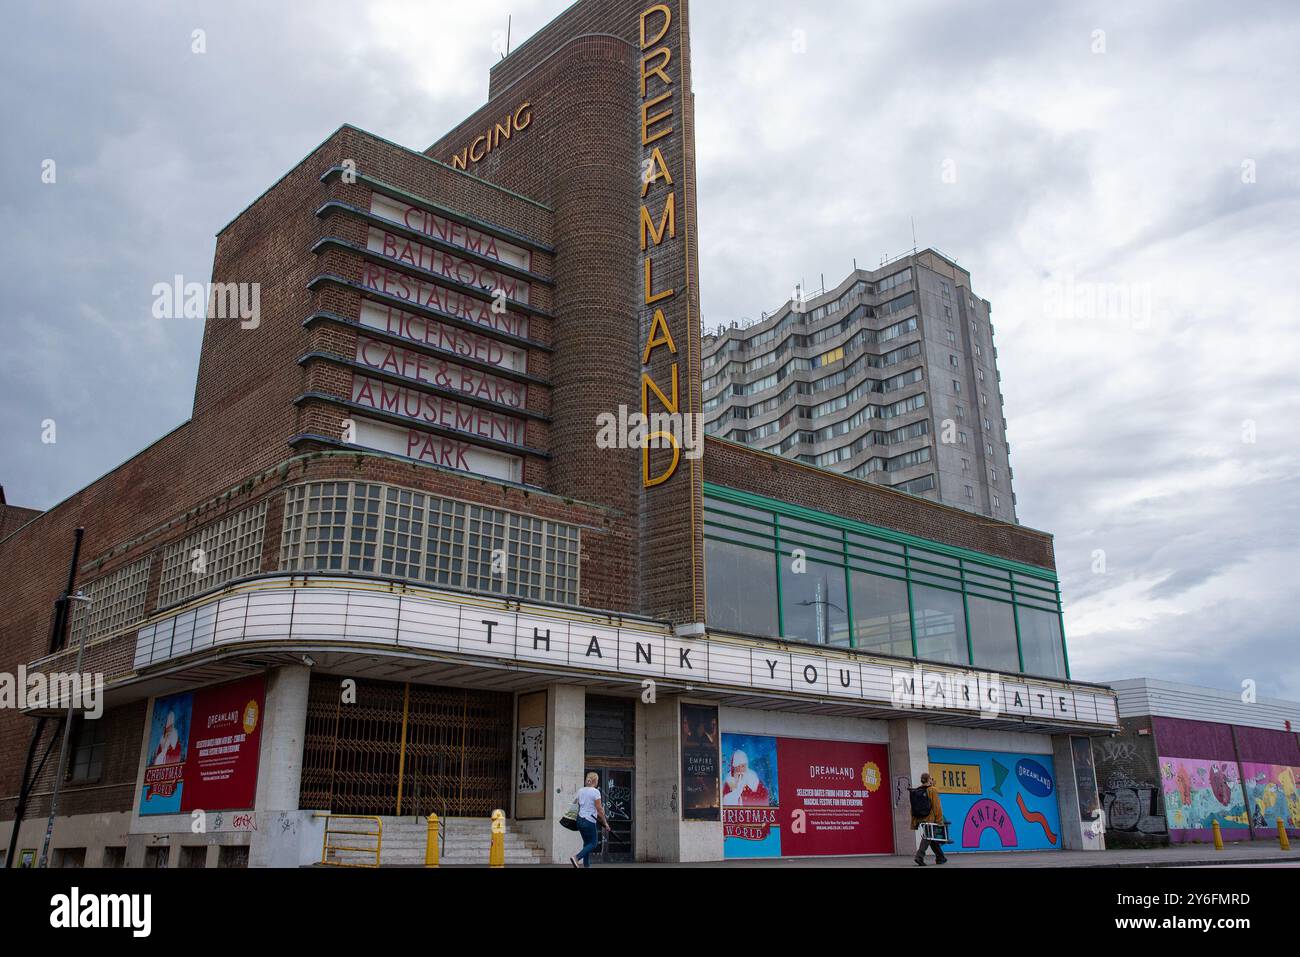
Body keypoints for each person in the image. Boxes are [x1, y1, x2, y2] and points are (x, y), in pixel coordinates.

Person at [571, 772, 611, 868]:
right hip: (589, 821)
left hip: (580, 820)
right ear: (595, 781)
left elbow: (575, 804)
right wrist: (605, 823)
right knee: (593, 843)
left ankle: (586, 865)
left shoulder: (581, 790)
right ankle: (576, 857)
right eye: (597, 780)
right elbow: (599, 809)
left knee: (586, 843)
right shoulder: (595, 792)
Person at [910, 772, 948, 866]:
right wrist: (940, 821)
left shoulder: (917, 790)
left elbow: (912, 808)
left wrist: (914, 821)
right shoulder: (932, 790)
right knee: (928, 837)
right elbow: (937, 807)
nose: (932, 780)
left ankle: (940, 857)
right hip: (930, 818)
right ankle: (919, 857)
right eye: (931, 778)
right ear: (928, 780)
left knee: (931, 837)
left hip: (920, 818)